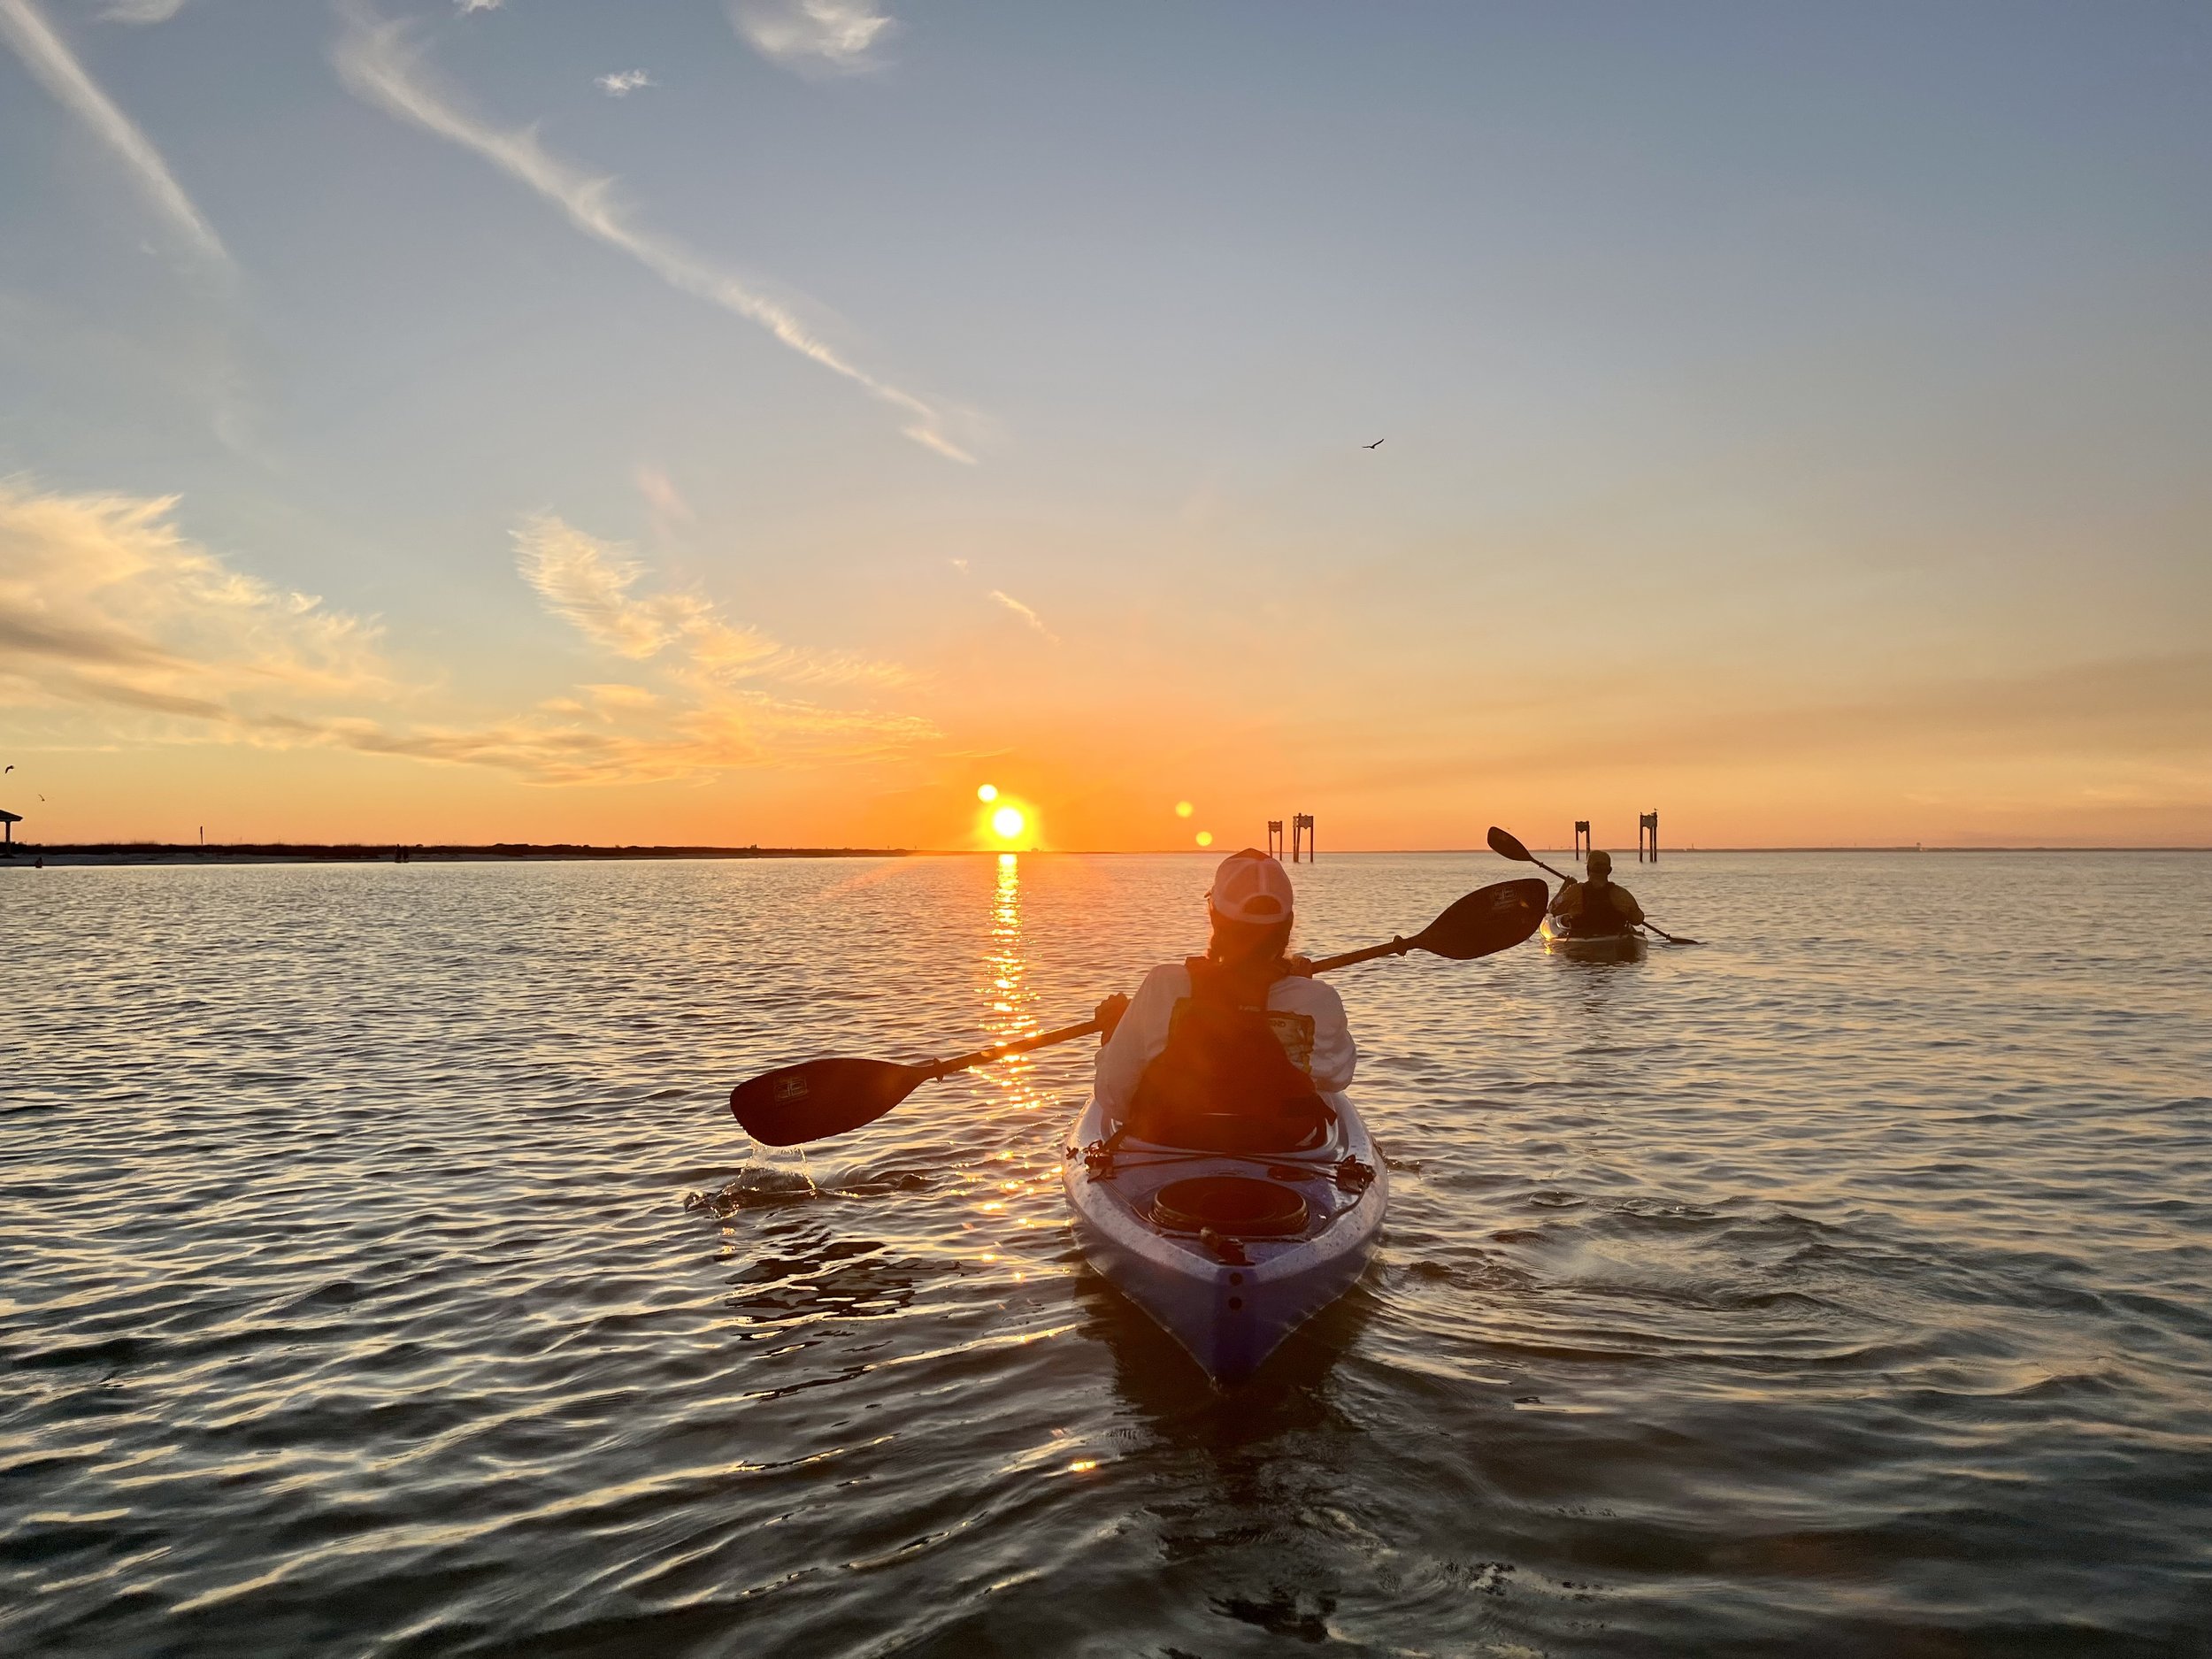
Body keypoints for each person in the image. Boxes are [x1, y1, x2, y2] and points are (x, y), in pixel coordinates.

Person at [1090, 848, 1356, 1151]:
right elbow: (1337, 1078)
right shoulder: (1318, 998)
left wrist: (1113, 1033)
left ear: (1214, 916)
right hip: (1283, 1146)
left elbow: (1113, 1098)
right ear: (1289, 923)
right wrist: (1299, 988)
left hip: (1169, 1143)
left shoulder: (1163, 985)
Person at [1548, 849, 1645, 937]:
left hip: (1583, 941)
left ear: (1588, 869)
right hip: (1614, 938)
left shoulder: (1575, 891)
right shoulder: (1622, 894)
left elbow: (1553, 910)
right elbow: (1638, 920)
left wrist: (1563, 889)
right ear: (1609, 871)